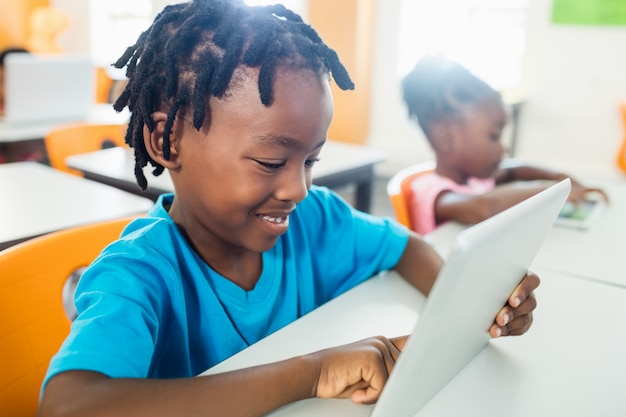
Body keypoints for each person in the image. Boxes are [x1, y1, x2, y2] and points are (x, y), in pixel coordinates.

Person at [38, 2, 539, 416]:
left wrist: (472, 304)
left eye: (311, 160)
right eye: (271, 161)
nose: (298, 188)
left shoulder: (313, 220)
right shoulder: (138, 273)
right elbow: (71, 406)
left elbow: (403, 246)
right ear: (168, 139)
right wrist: (314, 371)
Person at [401, 54, 608, 235]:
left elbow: (515, 170)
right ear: (446, 138)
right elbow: (484, 206)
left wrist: (560, 178)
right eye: (494, 136)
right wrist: (552, 192)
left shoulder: (475, 181)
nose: (503, 147)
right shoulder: (432, 191)